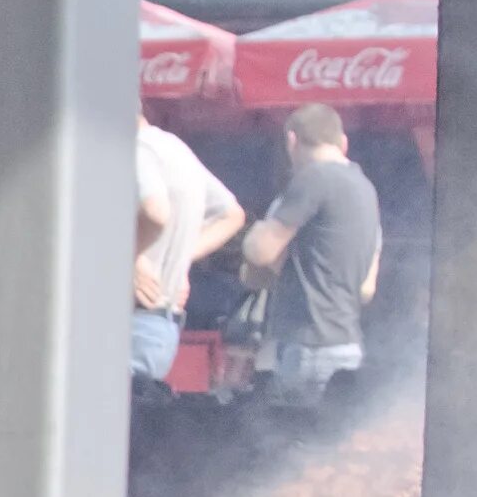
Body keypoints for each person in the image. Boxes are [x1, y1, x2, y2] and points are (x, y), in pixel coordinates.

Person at [237, 102, 381, 401]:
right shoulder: (365, 189)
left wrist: (255, 232)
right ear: (343, 143)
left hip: (308, 347)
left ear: (292, 140)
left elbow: (260, 253)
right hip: (347, 344)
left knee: (292, 442)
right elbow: (366, 289)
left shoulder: (314, 179)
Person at [131, 109, 246, 381]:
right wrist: (180, 258)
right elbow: (231, 214)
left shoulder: (136, 150)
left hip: (131, 325)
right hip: (159, 326)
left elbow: (155, 212)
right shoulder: (175, 149)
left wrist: (129, 257)